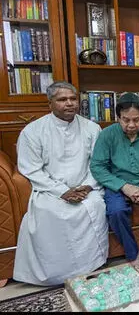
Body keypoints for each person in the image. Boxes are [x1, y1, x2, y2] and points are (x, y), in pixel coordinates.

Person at [13, 82, 108, 286]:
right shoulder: (33, 131)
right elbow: (31, 169)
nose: (69, 103)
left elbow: (98, 163)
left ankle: (91, 266)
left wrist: (88, 186)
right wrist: (62, 191)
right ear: (50, 103)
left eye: (73, 99)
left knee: (95, 205)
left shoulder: (92, 128)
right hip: (49, 190)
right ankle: (56, 274)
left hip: (86, 187)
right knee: (47, 212)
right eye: (62, 99)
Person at [91, 92, 139, 267]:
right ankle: (132, 252)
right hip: (118, 185)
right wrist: (124, 186)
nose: (131, 125)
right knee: (116, 211)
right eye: (126, 120)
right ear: (118, 118)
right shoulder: (107, 135)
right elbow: (97, 167)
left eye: (136, 120)